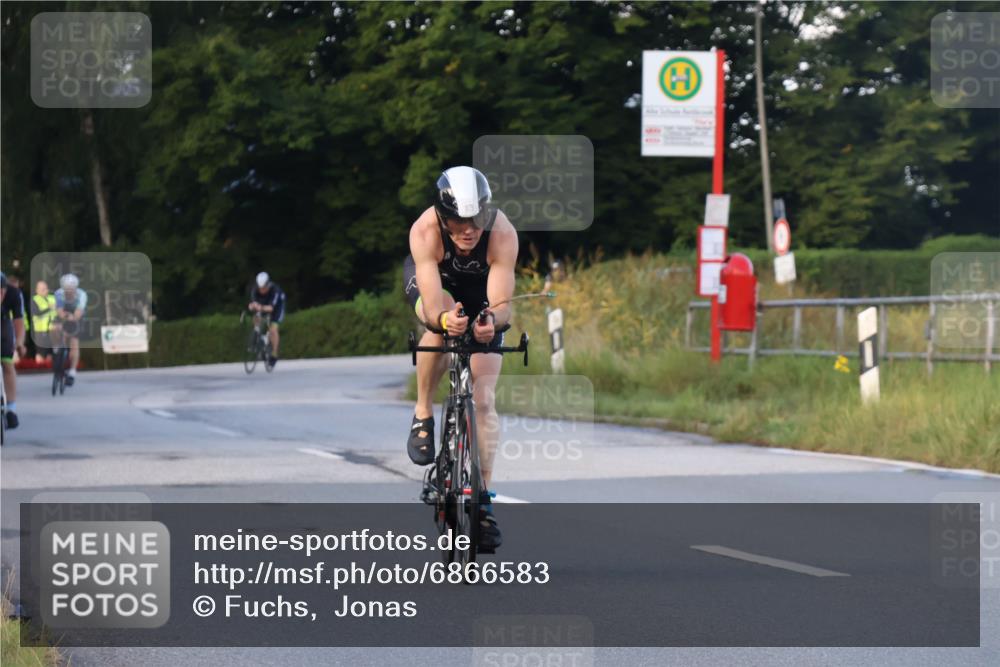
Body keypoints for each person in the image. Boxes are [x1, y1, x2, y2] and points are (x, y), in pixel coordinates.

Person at [402, 165, 519, 551]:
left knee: (484, 400)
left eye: (477, 219)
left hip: (481, 289)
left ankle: (481, 500)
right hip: (437, 281)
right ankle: (422, 413)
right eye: (457, 220)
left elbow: (502, 306)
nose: (469, 229)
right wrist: (442, 319)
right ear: (441, 215)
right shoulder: (425, 231)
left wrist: (491, 322)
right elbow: (434, 304)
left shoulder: (501, 233)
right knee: (440, 325)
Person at [1, 272, 27, 429]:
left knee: (7, 362)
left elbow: (18, 322)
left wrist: (19, 343)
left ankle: (11, 409)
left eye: (1, 292)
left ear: (5, 289)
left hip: (3, 323)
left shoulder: (14, 294)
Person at [52, 273, 87, 387]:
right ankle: (57, 347)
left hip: (77, 318)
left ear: (75, 288)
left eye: (71, 290)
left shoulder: (82, 295)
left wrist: (72, 317)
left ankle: (72, 372)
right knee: (54, 328)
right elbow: (60, 311)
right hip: (64, 315)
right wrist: (65, 316)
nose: (69, 292)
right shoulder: (58, 293)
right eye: (66, 290)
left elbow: (78, 313)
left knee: (74, 343)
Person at [247, 272, 285, 370]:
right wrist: (252, 306)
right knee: (256, 318)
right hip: (264, 304)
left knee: (273, 329)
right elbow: (254, 303)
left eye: (264, 288)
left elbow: (271, 308)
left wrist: (261, 307)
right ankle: (257, 335)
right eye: (260, 288)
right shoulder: (255, 289)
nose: (262, 290)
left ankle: (274, 354)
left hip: (277, 307)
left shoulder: (275, 290)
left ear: (268, 284)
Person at [31, 280, 57, 363]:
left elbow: (58, 313)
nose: (45, 291)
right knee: (41, 352)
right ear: (37, 290)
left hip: (53, 330)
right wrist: (49, 308)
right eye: (43, 289)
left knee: (51, 352)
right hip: (40, 330)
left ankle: (49, 371)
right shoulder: (35, 299)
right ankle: (39, 370)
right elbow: (36, 313)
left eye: (46, 288)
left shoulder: (52, 298)